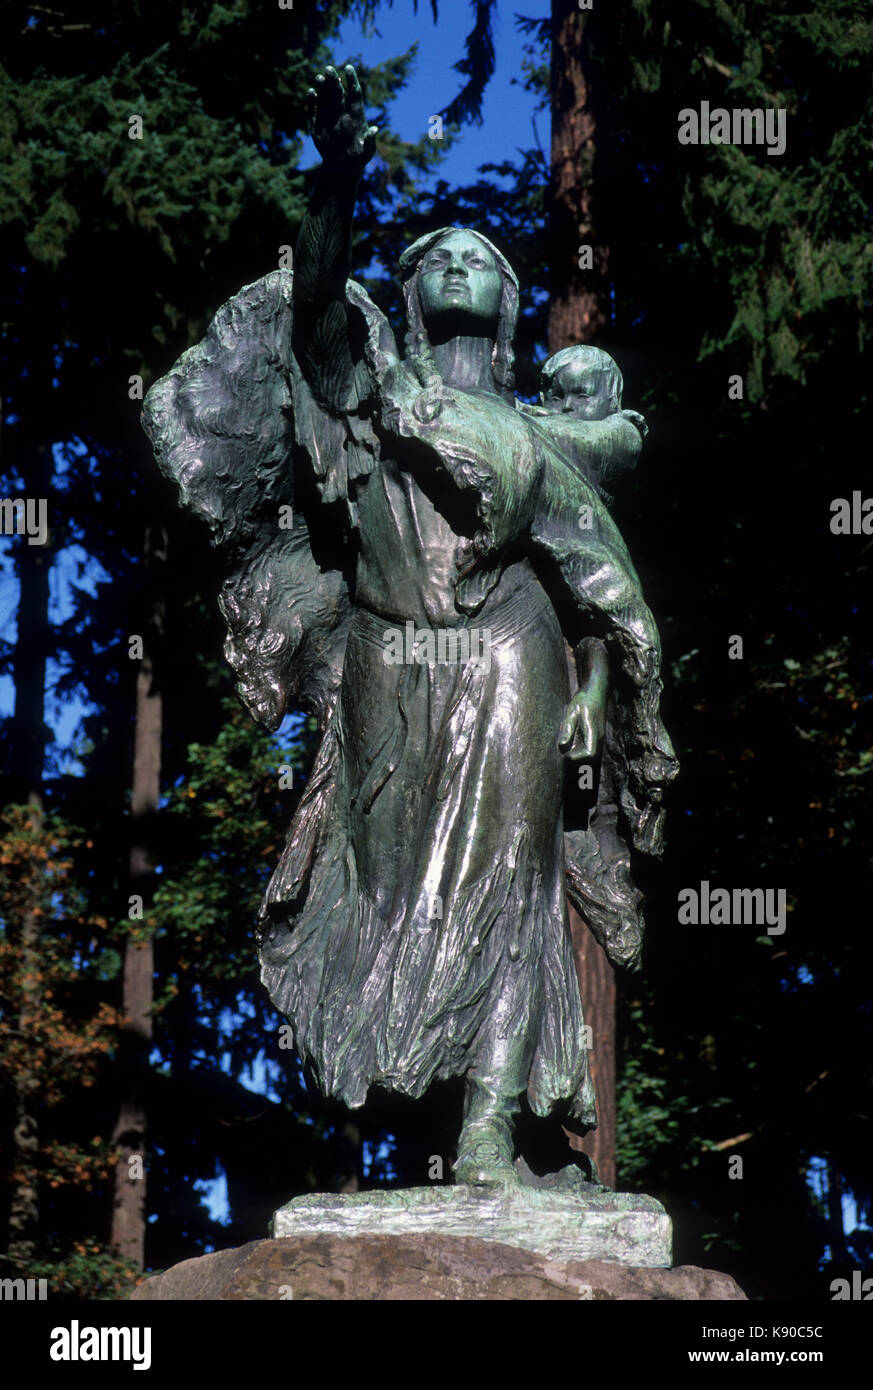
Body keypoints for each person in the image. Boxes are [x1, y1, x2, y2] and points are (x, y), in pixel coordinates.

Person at [144, 65, 677, 1187]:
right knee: (385, 890)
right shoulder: (363, 397)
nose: (461, 262)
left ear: (513, 298)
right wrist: (335, 179)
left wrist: (596, 724)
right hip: (391, 661)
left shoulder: (543, 432)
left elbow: (595, 549)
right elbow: (317, 313)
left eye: (484, 255)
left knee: (512, 885)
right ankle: (421, 1124)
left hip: (514, 653)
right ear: (413, 285)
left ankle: (486, 1133)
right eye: (439, 252)